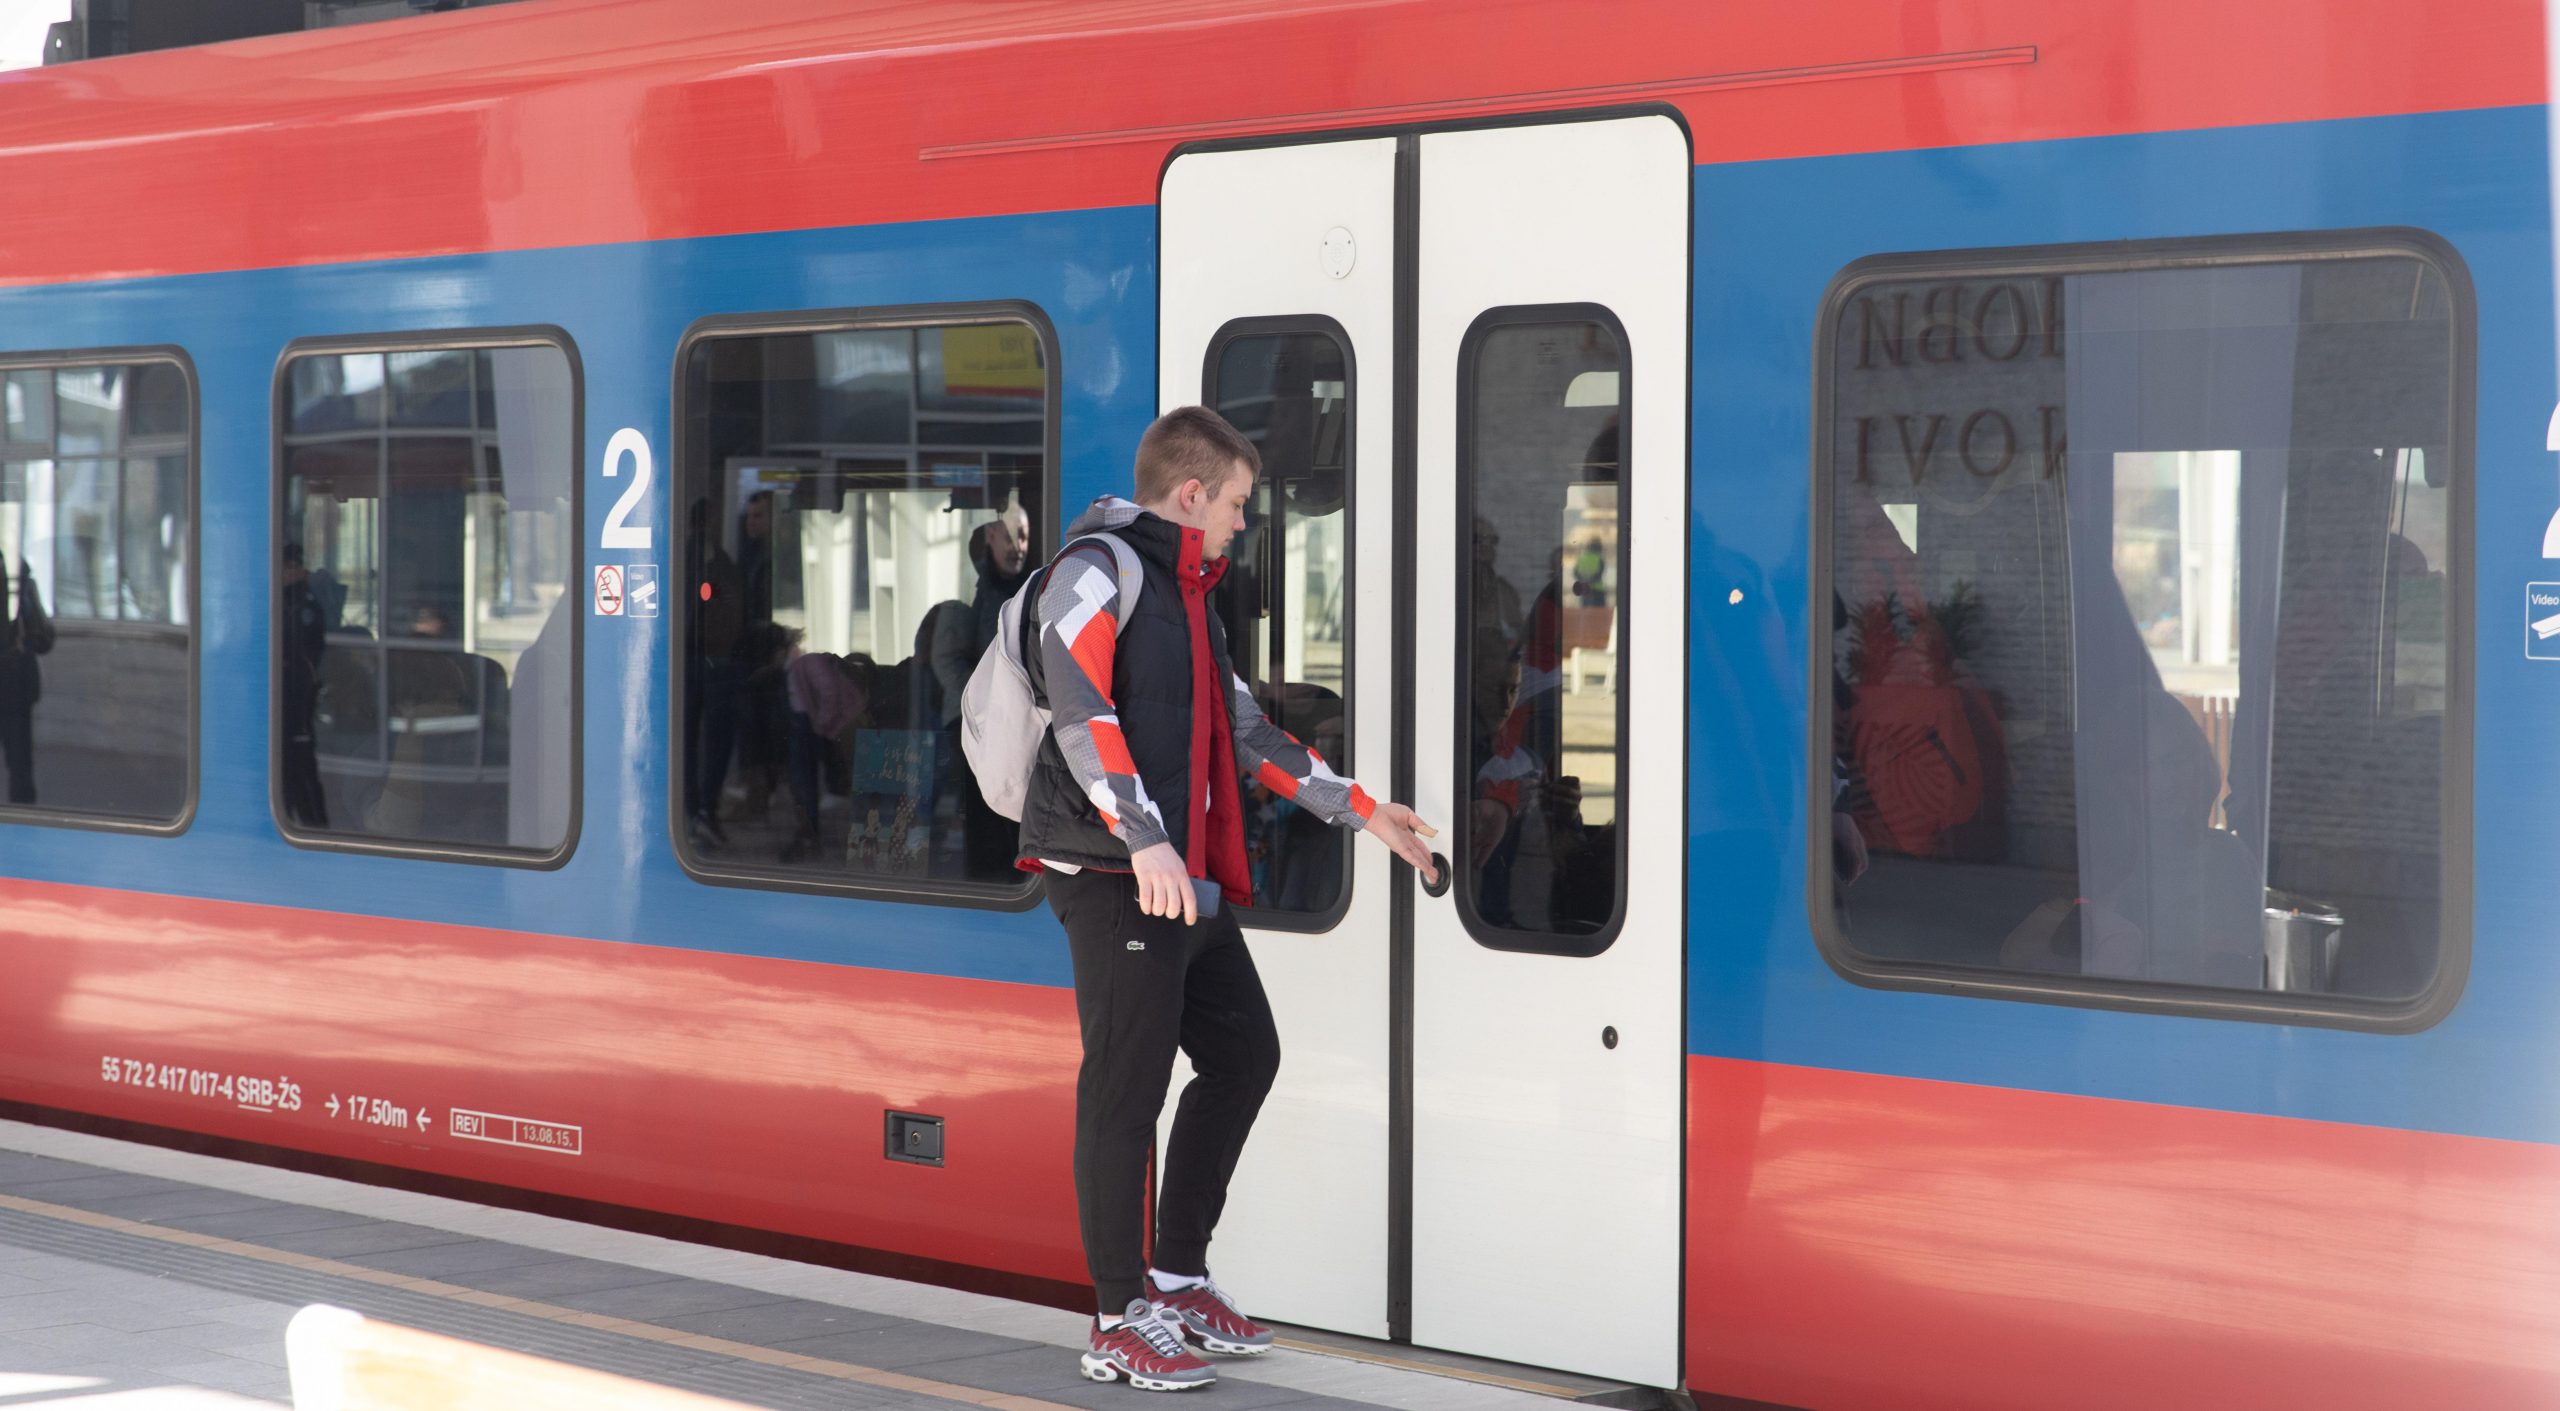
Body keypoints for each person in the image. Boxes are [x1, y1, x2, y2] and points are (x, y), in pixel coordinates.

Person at [1012, 407, 1437, 1393]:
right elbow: (1081, 711)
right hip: (1117, 877)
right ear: (1192, 495)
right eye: (1240, 503)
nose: (1247, 521)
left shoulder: (1188, 594)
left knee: (1244, 1052)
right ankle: (1120, 1316)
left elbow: (1244, 730)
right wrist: (1144, 834)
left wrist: (1366, 812)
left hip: (1180, 879)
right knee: (1125, 1091)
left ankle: (1176, 1274)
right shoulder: (1095, 571)